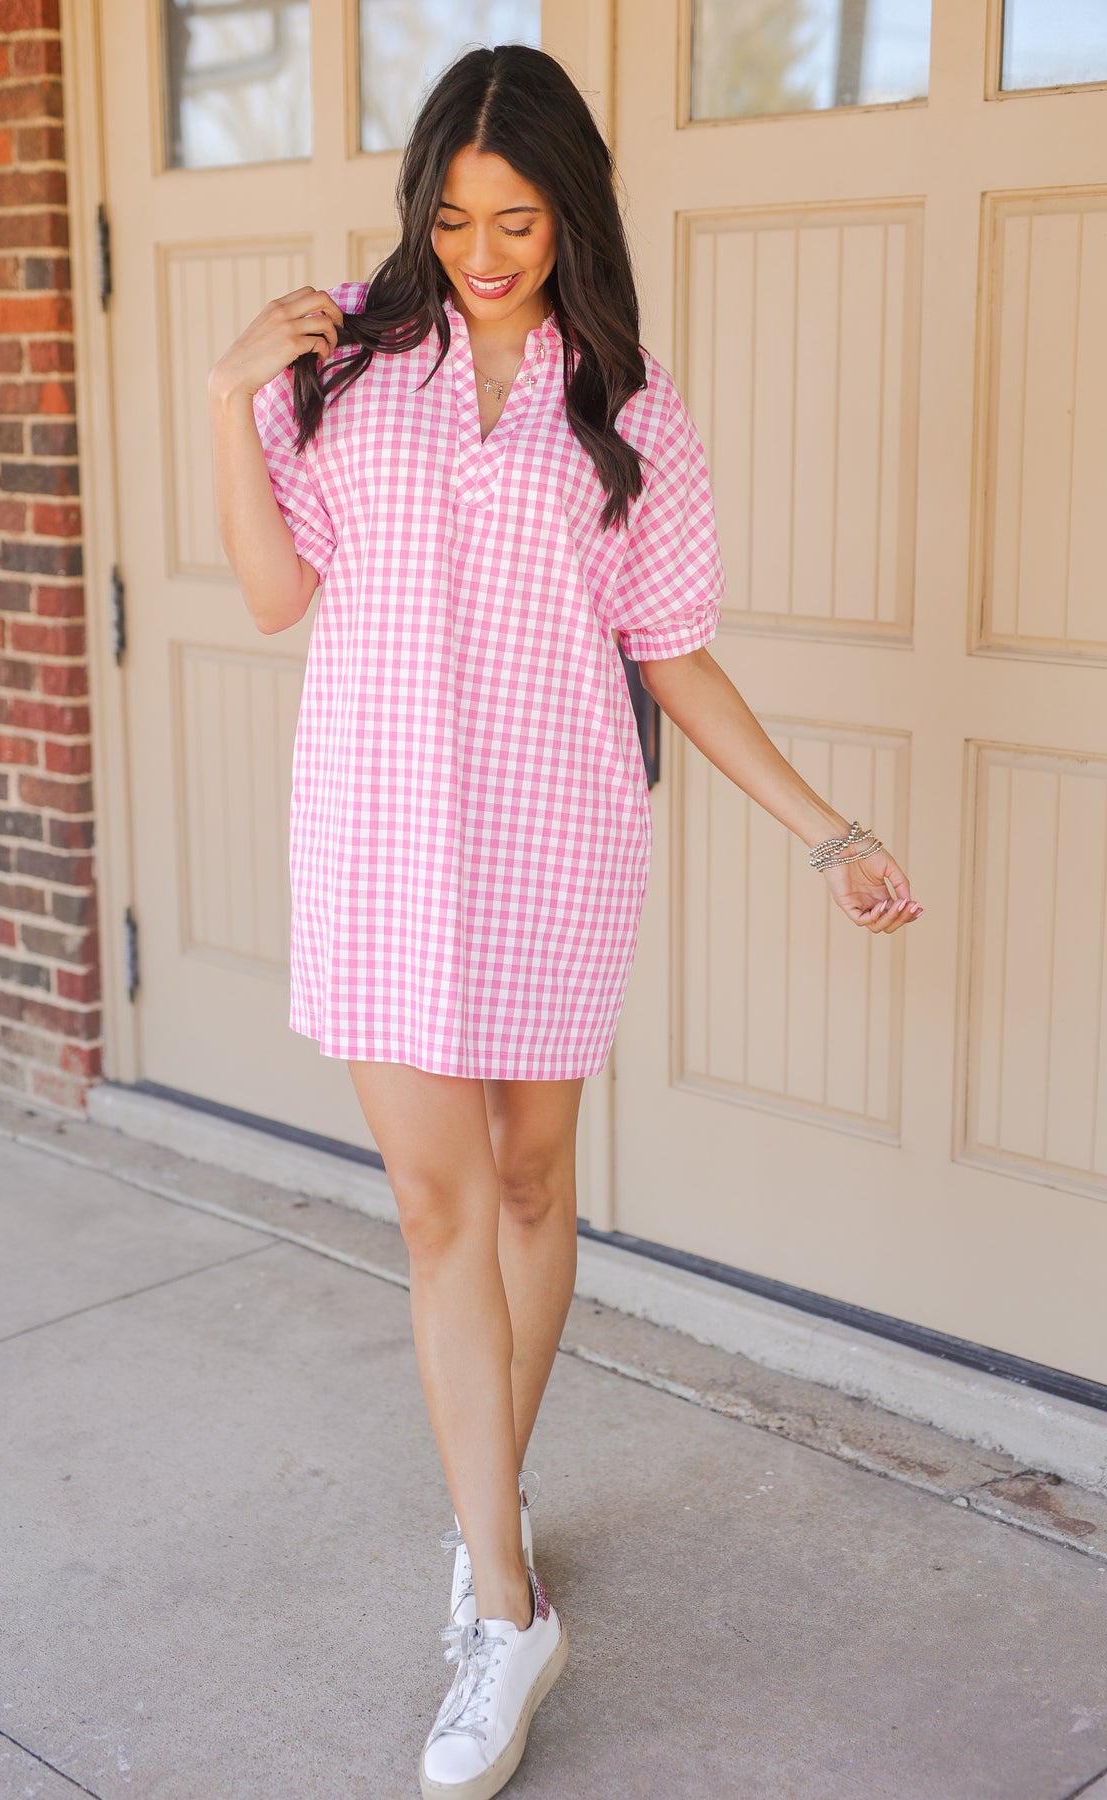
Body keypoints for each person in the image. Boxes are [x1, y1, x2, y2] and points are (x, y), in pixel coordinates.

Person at [208, 41, 923, 1800]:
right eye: (451, 218)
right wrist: (217, 397)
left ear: (571, 210)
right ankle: (504, 1608)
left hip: (552, 842)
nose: (480, 249)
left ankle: (483, 1511)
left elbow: (669, 653)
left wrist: (825, 829)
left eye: (515, 218)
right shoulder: (349, 368)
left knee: (533, 1185)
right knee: (439, 1209)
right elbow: (271, 590)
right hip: (377, 837)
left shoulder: (634, 404)